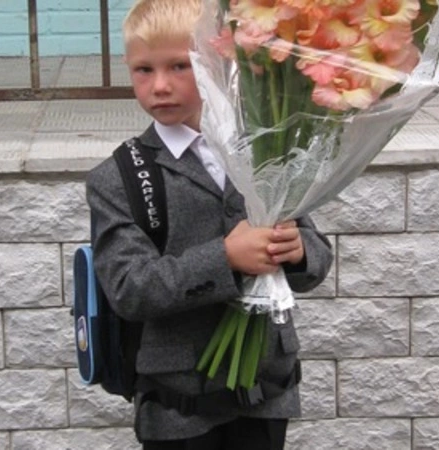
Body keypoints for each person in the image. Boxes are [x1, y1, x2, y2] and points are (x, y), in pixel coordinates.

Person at [85, 0, 333, 448]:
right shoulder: (119, 177)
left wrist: (298, 251)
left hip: (265, 390)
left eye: (179, 66)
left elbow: (315, 257)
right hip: (178, 404)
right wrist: (225, 258)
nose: (160, 86)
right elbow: (129, 288)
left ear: (215, 62)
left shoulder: (262, 148)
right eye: (144, 70)